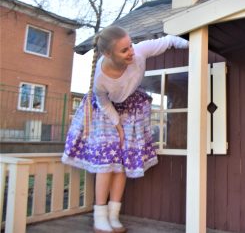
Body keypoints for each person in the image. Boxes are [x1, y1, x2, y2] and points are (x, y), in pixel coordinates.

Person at [62, 26, 189, 233]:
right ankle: (100, 216)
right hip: (105, 112)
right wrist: (117, 126)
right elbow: (103, 102)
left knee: (121, 163)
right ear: (107, 54)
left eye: (130, 45)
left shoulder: (139, 52)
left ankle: (113, 216)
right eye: (124, 50)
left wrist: (195, 45)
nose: (131, 51)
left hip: (129, 108)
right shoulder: (100, 79)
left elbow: (170, 41)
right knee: (107, 162)